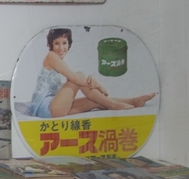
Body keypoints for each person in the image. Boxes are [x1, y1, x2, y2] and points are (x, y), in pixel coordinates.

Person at [28, 28, 156, 118]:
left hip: (55, 107)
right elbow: (74, 78)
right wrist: (98, 85)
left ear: (69, 44)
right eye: (56, 43)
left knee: (95, 100)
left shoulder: (60, 61)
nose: (61, 48)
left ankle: (134, 101)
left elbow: (75, 79)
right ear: (50, 44)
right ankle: (113, 105)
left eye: (64, 43)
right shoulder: (51, 56)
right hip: (47, 109)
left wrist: (91, 79)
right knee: (78, 75)